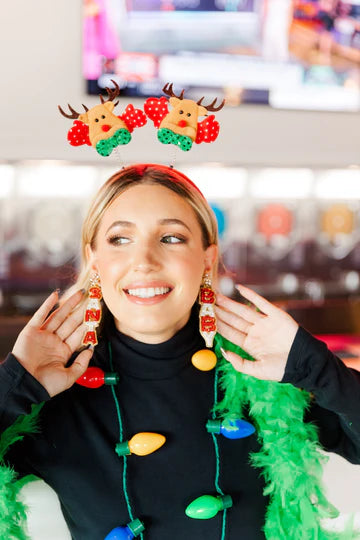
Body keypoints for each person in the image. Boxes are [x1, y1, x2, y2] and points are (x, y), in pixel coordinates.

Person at [1, 164, 360, 540]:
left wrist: (315, 368)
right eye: (120, 240)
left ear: (207, 259)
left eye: (171, 238)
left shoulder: (261, 372)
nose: (144, 261)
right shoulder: (53, 387)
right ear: (94, 260)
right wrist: (15, 383)